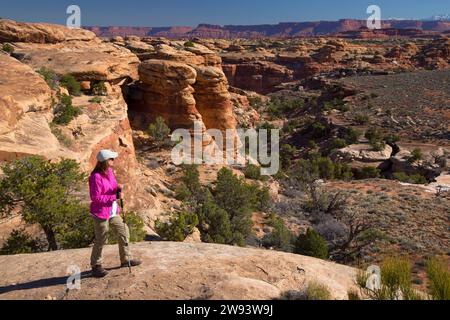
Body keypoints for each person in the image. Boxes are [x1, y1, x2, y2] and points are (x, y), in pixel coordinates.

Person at [89, 149, 142, 278]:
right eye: (111, 159)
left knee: (124, 231)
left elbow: (113, 186)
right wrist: (113, 197)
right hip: (101, 212)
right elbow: (95, 198)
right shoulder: (95, 177)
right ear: (105, 161)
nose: (114, 160)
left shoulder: (110, 171)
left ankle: (126, 259)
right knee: (102, 238)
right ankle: (96, 266)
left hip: (112, 211)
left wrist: (118, 188)